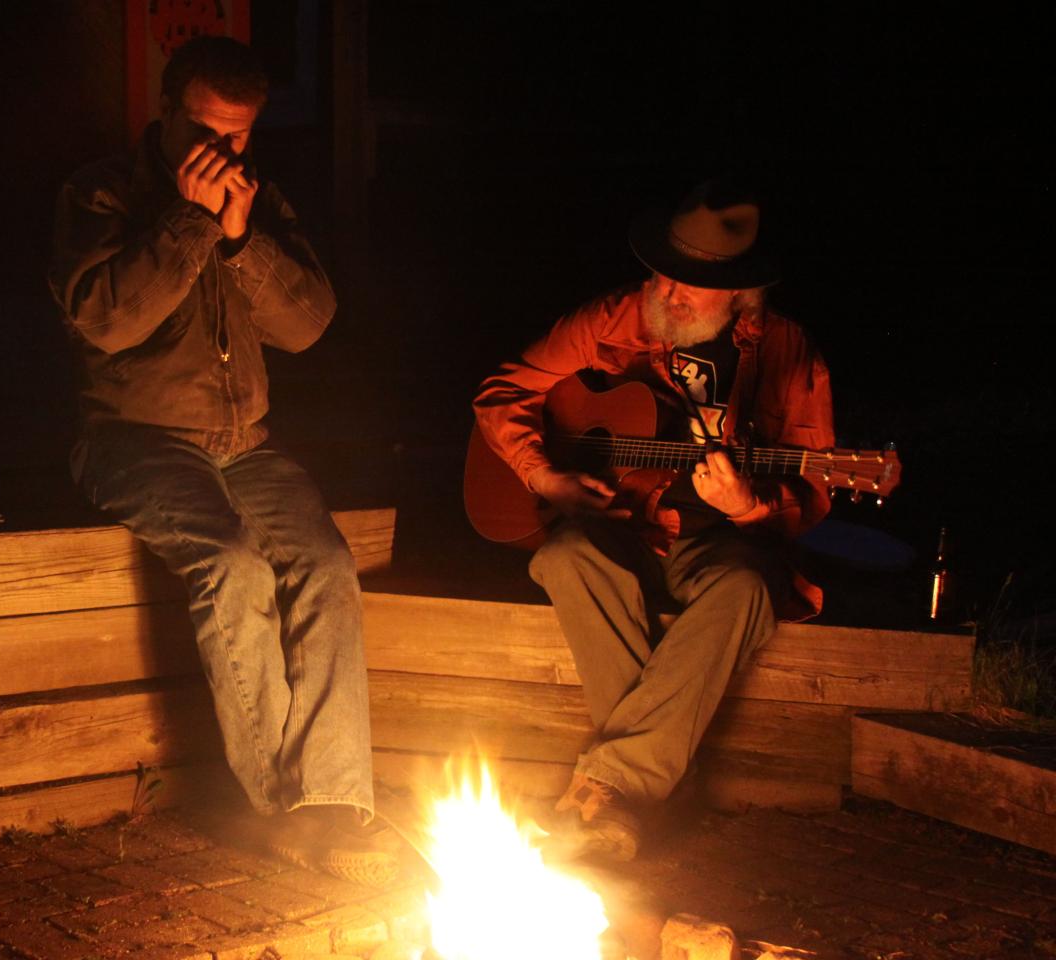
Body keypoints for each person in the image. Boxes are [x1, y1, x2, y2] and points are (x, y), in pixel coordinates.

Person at [48, 36, 394, 885]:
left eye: (238, 137)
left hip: (247, 448)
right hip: (135, 442)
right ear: (165, 116)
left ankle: (335, 803)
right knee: (235, 568)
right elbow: (104, 320)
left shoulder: (258, 200)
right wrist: (191, 221)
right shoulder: (101, 193)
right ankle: (278, 805)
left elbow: (308, 324)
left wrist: (242, 241)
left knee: (324, 566)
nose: (221, 154)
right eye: (205, 131)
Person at [472, 181, 835, 861]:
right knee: (563, 557)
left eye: (691, 286)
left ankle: (612, 790)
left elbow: (814, 482)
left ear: (742, 294)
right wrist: (542, 474)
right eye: (663, 274)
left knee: (746, 591)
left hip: (719, 544)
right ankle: (643, 787)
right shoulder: (614, 318)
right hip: (628, 529)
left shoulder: (787, 352)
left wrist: (748, 507)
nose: (668, 293)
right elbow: (503, 391)